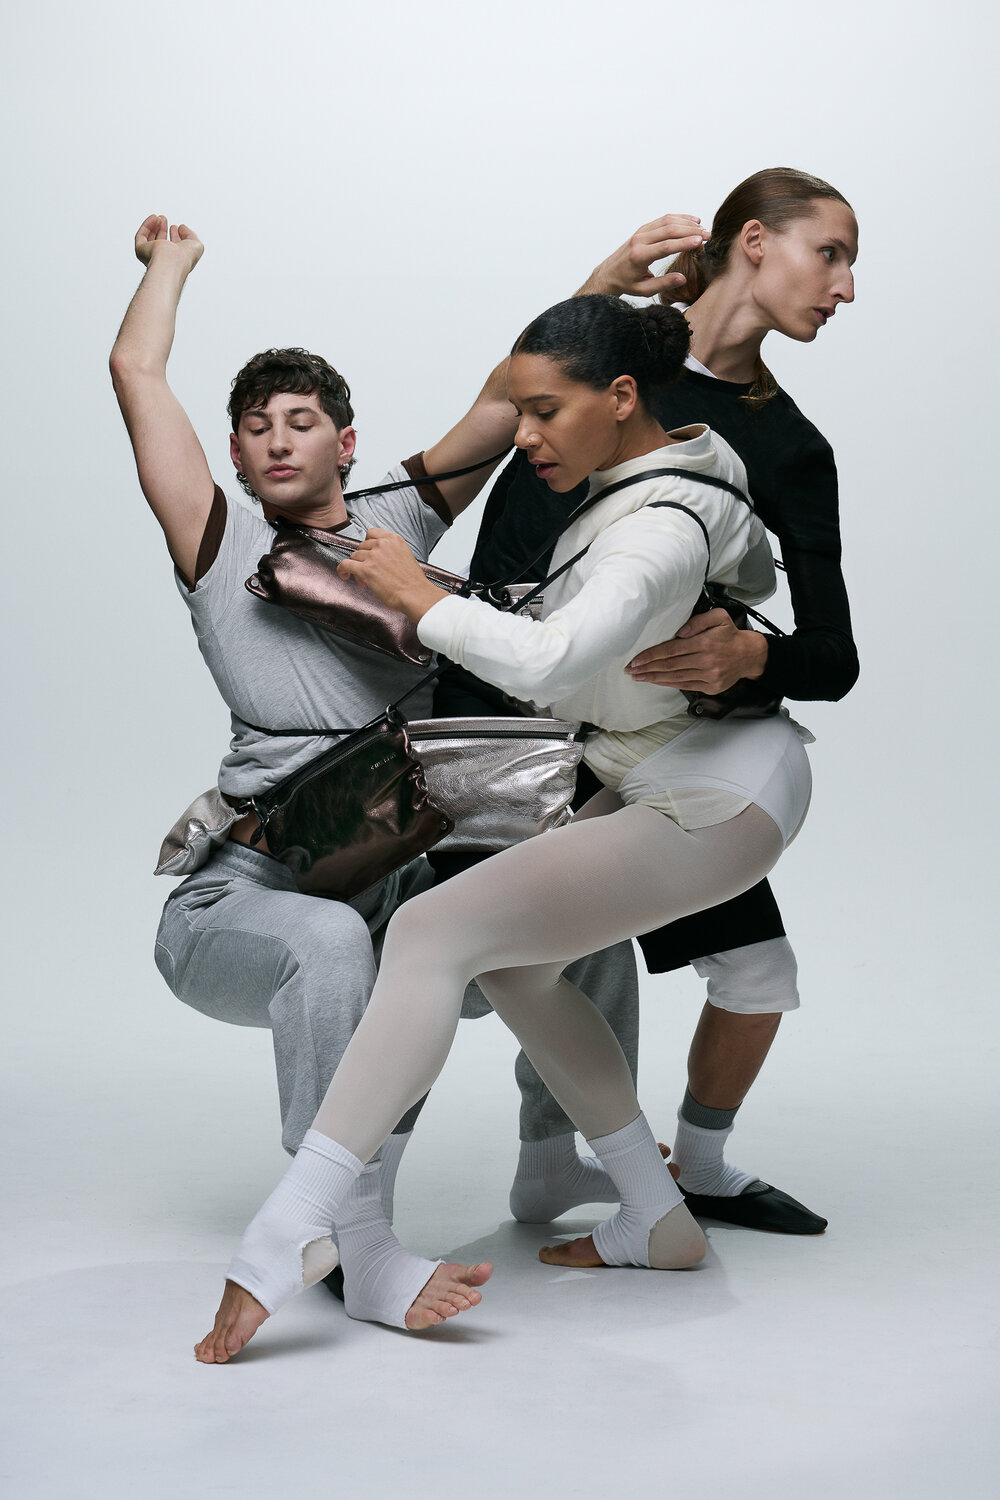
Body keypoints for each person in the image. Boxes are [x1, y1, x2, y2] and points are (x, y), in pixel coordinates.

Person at [194, 292, 814, 1363]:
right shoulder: (635, 480)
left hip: (713, 794)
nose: (520, 435)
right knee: (526, 967)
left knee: (433, 933)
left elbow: (546, 662)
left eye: (542, 412)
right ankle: (654, 1219)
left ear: (620, 400)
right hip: (686, 769)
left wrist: (411, 592)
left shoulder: (657, 528)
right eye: (517, 411)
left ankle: (287, 1227)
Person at [111, 214, 675, 1333]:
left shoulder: (400, 520)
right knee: (330, 948)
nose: (279, 442)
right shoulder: (219, 543)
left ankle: (550, 1159)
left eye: (302, 423)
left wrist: (597, 287)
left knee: (584, 915)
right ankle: (348, 1232)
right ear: (234, 454)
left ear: (345, 441)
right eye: (257, 429)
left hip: (401, 883)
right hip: (250, 898)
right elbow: (136, 371)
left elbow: (518, 402)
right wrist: (168, 263)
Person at [453, 168, 858, 1234]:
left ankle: (694, 1171)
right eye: (834, 253)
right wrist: (594, 286)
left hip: (636, 738)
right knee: (438, 942)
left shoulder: (788, 449)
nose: (847, 287)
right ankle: (357, 1195)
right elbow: (508, 412)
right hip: (487, 690)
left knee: (752, 971)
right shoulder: (618, 355)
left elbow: (832, 655)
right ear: (756, 242)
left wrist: (748, 658)